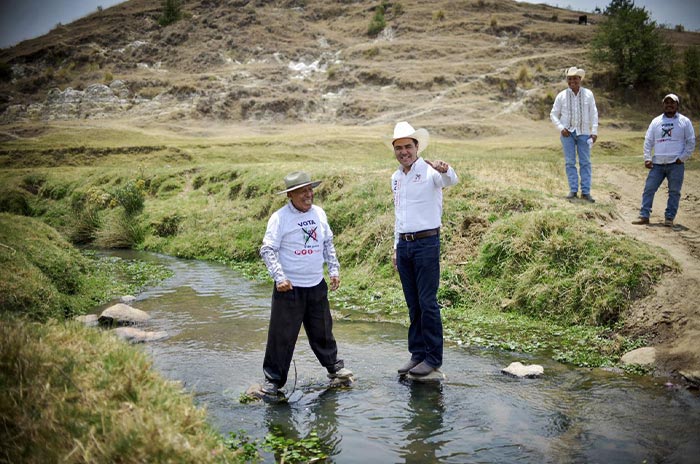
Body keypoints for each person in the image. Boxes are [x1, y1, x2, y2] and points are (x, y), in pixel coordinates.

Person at [259, 171, 352, 396]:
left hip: (316, 285)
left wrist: (334, 270)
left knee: (323, 331)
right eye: (302, 191)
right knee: (282, 336)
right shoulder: (279, 218)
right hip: (290, 288)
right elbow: (268, 249)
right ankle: (273, 381)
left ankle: (335, 370)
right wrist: (279, 278)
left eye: (310, 189)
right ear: (291, 194)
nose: (308, 194)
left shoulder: (319, 213)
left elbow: (327, 242)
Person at [389, 121, 458, 377]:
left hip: (427, 243)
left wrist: (446, 169)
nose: (404, 151)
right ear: (394, 150)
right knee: (413, 303)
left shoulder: (430, 171)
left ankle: (433, 358)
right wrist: (396, 247)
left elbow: (451, 180)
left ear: (416, 147)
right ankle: (417, 354)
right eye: (399, 148)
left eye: (408, 146)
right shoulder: (395, 178)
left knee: (427, 302)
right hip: (404, 245)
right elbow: (399, 214)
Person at [632, 94, 696, 227]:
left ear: (677, 105)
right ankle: (644, 216)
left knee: (674, 192)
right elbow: (648, 141)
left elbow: (691, 142)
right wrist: (647, 158)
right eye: (666, 103)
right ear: (663, 105)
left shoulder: (684, 121)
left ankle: (669, 218)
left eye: (672, 103)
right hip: (658, 164)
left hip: (676, 164)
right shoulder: (656, 122)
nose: (669, 105)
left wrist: (682, 158)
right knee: (649, 189)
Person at [550, 66, 599, 202]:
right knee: (570, 162)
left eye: (575, 78)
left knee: (585, 162)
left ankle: (586, 192)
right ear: (567, 80)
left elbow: (594, 113)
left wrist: (594, 131)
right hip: (568, 133)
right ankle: (573, 190)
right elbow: (553, 114)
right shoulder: (561, 96)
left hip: (584, 133)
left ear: (580, 79)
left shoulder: (588, 94)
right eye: (570, 79)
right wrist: (561, 128)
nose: (573, 81)